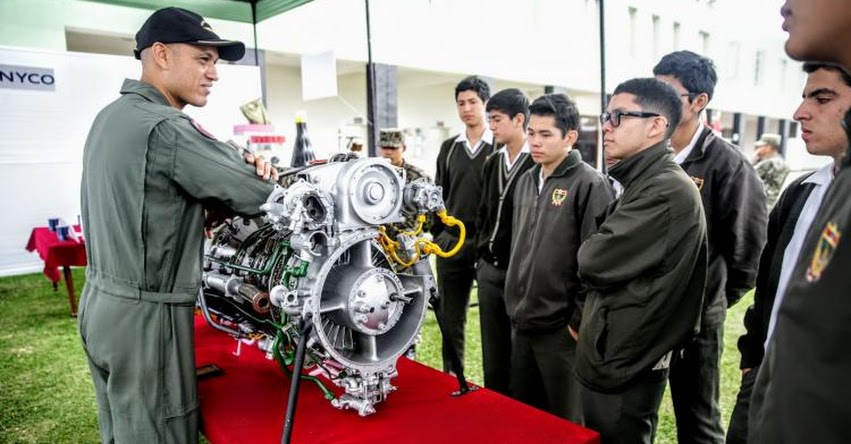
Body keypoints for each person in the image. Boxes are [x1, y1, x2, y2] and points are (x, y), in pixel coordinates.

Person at [77, 7, 277, 443]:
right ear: (162, 55)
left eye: (215, 63)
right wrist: (260, 171)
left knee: (123, 429)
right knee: (161, 432)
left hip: (102, 304)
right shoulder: (167, 128)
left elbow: (145, 204)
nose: (214, 74)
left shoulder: (111, 118)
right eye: (203, 59)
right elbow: (261, 194)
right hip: (146, 320)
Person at [575, 78, 707, 444]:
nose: (606, 126)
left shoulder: (664, 189)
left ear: (655, 126)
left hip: (625, 356)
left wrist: (591, 245)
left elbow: (592, 259)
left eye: (619, 116)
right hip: (615, 348)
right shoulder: (645, 179)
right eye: (607, 115)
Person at [727, 62, 851, 444]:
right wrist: (752, 358)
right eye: (803, 98)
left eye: (823, 98)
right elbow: (769, 284)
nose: (801, 112)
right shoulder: (802, 192)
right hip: (765, 377)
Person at [652, 50, 768, 444]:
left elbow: (749, 254)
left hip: (696, 323)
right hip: (642, 313)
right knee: (635, 413)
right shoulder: (649, 154)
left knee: (697, 420)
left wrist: (709, 297)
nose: (655, 103)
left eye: (667, 93)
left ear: (699, 101)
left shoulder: (728, 165)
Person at [503, 93, 612, 421]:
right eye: (532, 133)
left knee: (565, 421)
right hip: (522, 322)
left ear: (570, 137)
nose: (535, 142)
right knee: (526, 417)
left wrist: (577, 321)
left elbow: (599, 260)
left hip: (561, 331)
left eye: (546, 134)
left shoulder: (590, 184)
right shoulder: (525, 180)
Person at [431, 76, 495, 374]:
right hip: (452, 242)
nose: (466, 109)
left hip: (488, 246)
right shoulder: (449, 148)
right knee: (450, 317)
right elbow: (437, 194)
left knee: (495, 320)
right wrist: (440, 234)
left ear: (485, 104)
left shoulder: (497, 147)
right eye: (461, 103)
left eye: (473, 102)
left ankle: (499, 385)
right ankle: (452, 376)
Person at [474, 88, 534, 396]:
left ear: (519, 119)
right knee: (492, 351)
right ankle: (495, 408)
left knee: (519, 354)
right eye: (490, 120)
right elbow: (484, 212)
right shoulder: (492, 162)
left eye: (497, 120)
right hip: (489, 269)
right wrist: (479, 259)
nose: (492, 127)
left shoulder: (536, 164)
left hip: (519, 274)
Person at [378, 128, 431, 238]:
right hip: (379, 242)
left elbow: (430, 215)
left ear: (404, 148)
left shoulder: (419, 177)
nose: (388, 152)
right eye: (384, 147)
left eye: (393, 147)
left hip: (408, 242)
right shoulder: (372, 175)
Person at [752, 133, 791, 209]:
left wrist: (754, 157)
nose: (758, 149)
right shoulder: (782, 162)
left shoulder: (767, 163)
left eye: (760, 146)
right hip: (771, 204)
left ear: (768, 147)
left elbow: (746, 175)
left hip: (759, 204)